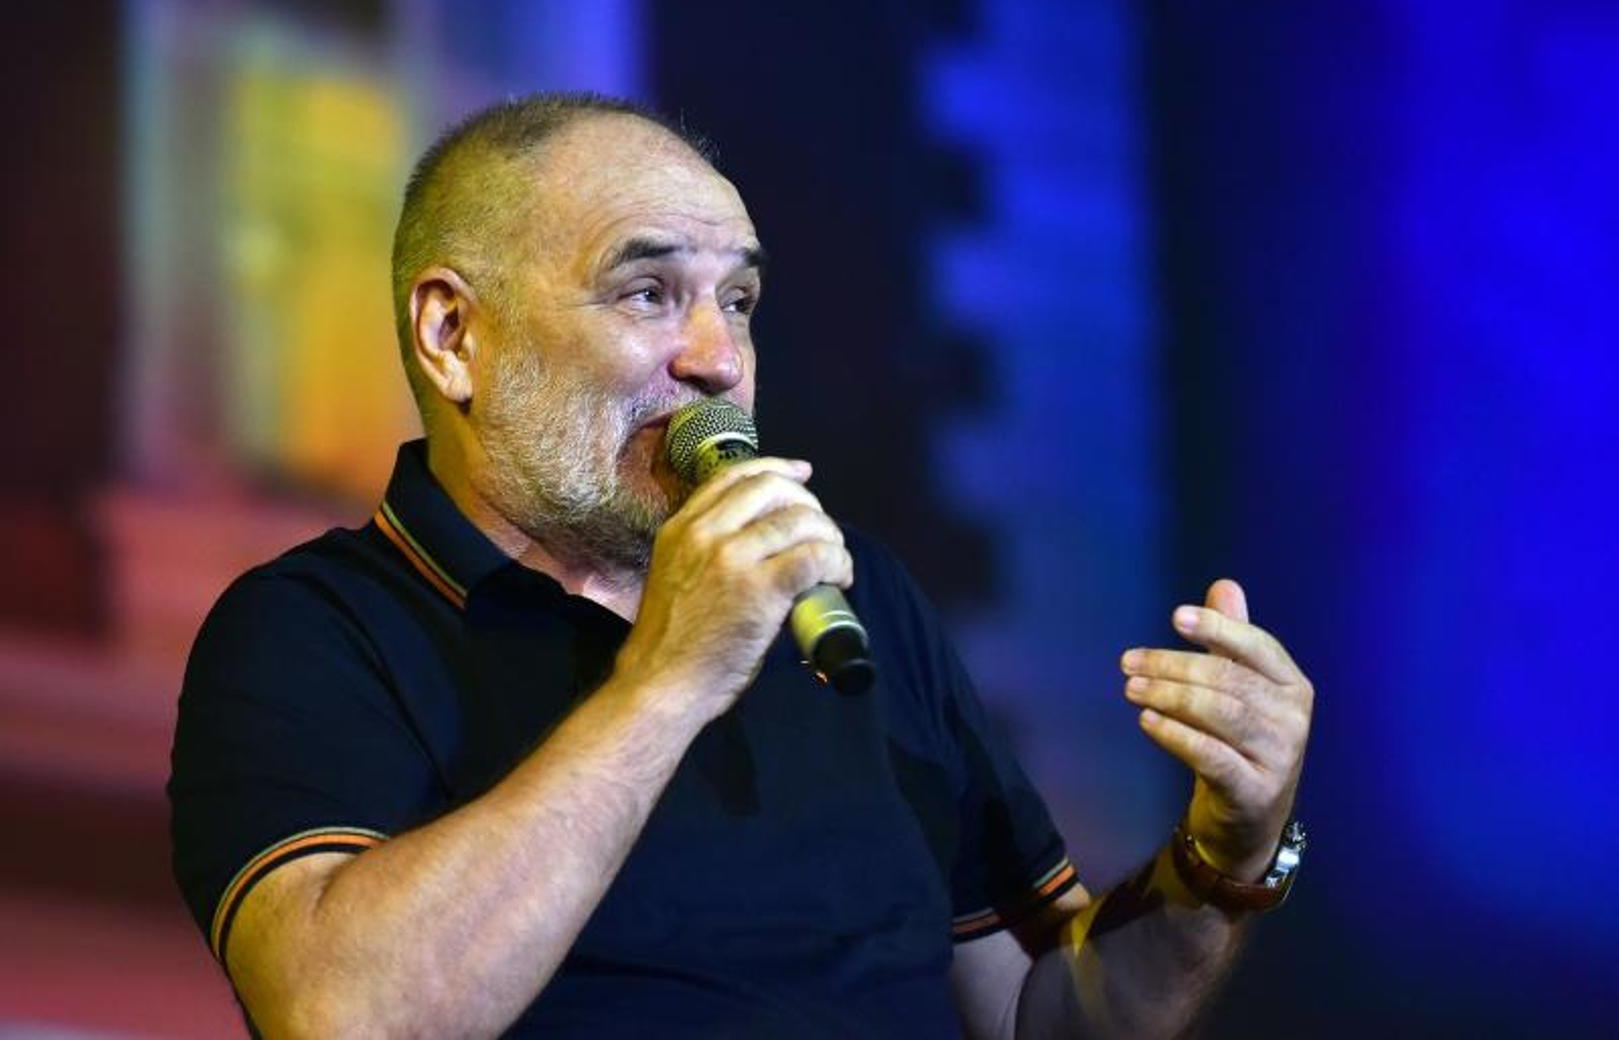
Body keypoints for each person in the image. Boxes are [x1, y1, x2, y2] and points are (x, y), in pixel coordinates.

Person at [169, 93, 1314, 1038]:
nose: (719, 360)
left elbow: (1036, 1017)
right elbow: (343, 1016)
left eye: (739, 301)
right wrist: (669, 677)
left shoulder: (851, 596)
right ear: (453, 335)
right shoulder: (313, 628)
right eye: (647, 292)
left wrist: (1226, 857)